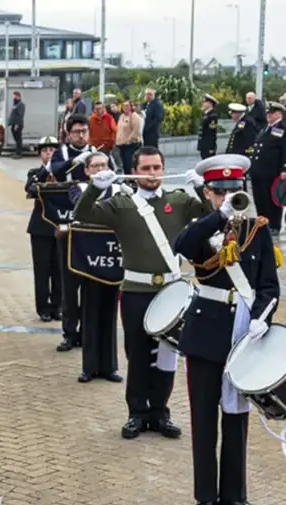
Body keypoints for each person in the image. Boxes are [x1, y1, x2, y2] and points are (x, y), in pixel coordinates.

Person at [73, 146, 211, 439]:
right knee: (136, 354)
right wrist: (95, 189)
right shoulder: (122, 205)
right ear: (134, 172)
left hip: (171, 291)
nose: (152, 173)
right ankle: (136, 412)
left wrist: (203, 188)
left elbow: (212, 217)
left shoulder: (178, 201)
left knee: (167, 356)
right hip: (136, 291)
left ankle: (160, 412)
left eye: (157, 167)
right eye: (145, 168)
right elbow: (82, 214)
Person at [172, 155, 279, 505]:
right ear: (207, 193)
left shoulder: (257, 230)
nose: (229, 196)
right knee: (204, 420)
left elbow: (269, 287)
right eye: (220, 191)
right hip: (206, 335)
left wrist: (262, 319)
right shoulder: (202, 227)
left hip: (243, 335)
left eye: (235, 190)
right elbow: (182, 245)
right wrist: (219, 216)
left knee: (237, 418)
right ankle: (205, 498)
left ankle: (234, 497)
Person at [68, 152, 122, 384]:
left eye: (104, 165)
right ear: (87, 170)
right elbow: (80, 207)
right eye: (96, 166)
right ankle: (89, 367)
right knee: (90, 311)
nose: (101, 169)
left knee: (110, 314)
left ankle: (109, 366)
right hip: (90, 260)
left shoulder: (120, 190)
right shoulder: (78, 187)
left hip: (112, 258)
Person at [48, 115, 96, 351]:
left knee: (90, 283)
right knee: (69, 284)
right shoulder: (62, 153)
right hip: (67, 227)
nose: (81, 135)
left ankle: (87, 332)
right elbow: (55, 171)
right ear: (68, 134)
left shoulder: (97, 153)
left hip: (93, 230)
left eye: (84, 131)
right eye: (76, 132)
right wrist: (75, 161)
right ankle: (69, 332)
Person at [25, 136, 62, 322]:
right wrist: (45, 171)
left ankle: (58, 306)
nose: (49, 154)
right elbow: (30, 188)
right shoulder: (35, 173)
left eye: (52, 150)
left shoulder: (64, 173)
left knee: (60, 269)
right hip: (41, 227)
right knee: (42, 270)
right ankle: (43, 308)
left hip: (61, 226)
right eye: (45, 151)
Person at [250, 102, 286, 237]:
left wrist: (285, 168)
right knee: (260, 198)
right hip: (258, 170)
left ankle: (274, 225)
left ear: (279, 114)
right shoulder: (266, 128)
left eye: (271, 113)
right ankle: (262, 223)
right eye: (267, 113)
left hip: (271, 170)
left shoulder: (284, 130)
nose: (268, 116)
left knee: (272, 199)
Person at [115, 100, 142, 174]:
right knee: (125, 164)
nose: (125, 107)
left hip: (131, 145)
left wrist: (129, 141)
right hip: (122, 145)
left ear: (131, 107)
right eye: (123, 106)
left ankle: (132, 179)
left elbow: (136, 130)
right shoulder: (121, 116)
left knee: (130, 164)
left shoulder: (134, 116)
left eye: (127, 106)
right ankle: (127, 178)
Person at [198, 95, 219, 159]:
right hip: (204, 146)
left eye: (205, 102)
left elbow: (212, 133)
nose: (203, 104)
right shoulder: (206, 115)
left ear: (210, 104)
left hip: (208, 147)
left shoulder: (212, 116)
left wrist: (211, 148)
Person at [8, 91, 25, 157]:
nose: (14, 97)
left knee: (18, 139)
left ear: (19, 96)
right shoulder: (15, 104)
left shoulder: (21, 104)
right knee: (16, 139)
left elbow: (20, 115)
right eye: (14, 95)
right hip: (13, 124)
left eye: (15, 96)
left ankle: (18, 153)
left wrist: (17, 125)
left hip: (17, 124)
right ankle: (17, 152)